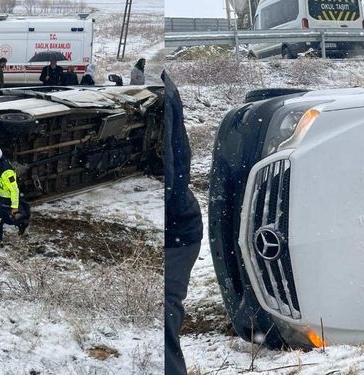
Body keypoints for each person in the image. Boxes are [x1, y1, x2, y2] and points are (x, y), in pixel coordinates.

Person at [163, 70, 203, 375]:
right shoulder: (163, 87)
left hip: (178, 228)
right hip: (178, 224)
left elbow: (173, 166)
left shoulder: (164, 91)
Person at [0, 145, 28, 249]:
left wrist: (14, 207)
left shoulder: (6, 171)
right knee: (4, 218)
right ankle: (21, 222)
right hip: (2, 197)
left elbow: (14, 189)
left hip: (7, 199)